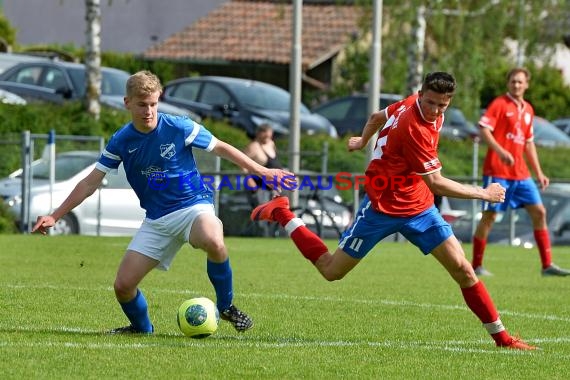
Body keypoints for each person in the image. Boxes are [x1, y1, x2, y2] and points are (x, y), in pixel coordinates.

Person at [251, 72, 536, 350]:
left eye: (442, 105)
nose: (435, 111)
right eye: (430, 103)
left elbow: (376, 117)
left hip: (419, 207)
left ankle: (503, 339)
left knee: (463, 269)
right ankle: (282, 212)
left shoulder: (414, 102)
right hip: (382, 206)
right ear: (421, 95)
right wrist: (483, 193)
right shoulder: (414, 129)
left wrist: (363, 141)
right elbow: (436, 183)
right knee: (330, 271)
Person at [32, 70, 294, 334]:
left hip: (193, 207)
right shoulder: (121, 141)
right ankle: (141, 328)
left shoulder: (179, 127)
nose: (149, 111)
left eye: (154, 104)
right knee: (123, 286)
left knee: (214, 240)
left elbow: (221, 147)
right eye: (142, 105)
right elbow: (90, 182)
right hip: (157, 220)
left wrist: (261, 171)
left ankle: (226, 306)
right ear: (128, 103)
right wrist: (56, 215)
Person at [471, 67, 570, 277]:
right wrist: (500, 150)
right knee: (489, 216)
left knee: (540, 212)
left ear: (526, 84)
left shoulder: (528, 110)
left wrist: (539, 172)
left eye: (520, 82)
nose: (516, 85)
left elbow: (528, 144)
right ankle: (476, 265)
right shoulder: (499, 104)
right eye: (513, 81)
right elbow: (484, 129)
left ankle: (547, 265)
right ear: (508, 83)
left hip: (521, 175)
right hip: (497, 172)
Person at [243, 123, 283, 207]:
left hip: (274, 188)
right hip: (260, 187)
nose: (267, 138)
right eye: (265, 136)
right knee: (262, 213)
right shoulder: (254, 146)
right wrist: (250, 180)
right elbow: (243, 164)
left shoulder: (271, 143)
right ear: (259, 134)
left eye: (269, 136)